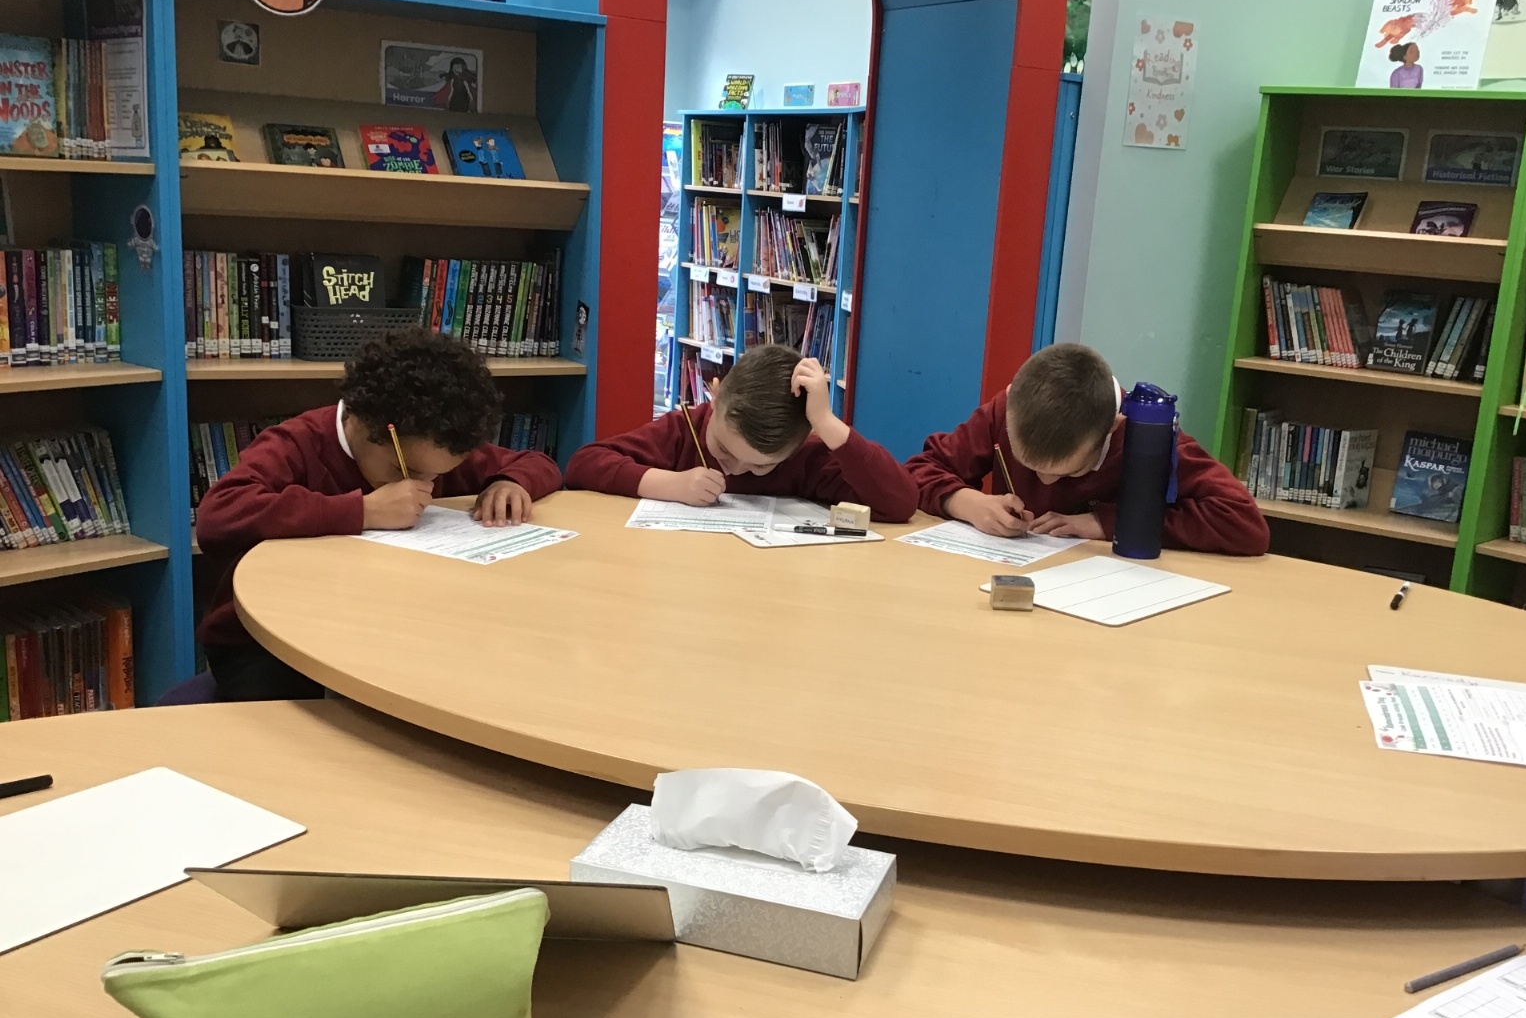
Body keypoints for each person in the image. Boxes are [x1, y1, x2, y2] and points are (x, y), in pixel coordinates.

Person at [195, 329, 561, 701]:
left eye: (438, 474)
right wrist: (361, 510)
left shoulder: (434, 442)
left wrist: (509, 482)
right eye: (407, 470)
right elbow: (219, 515)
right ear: (364, 424)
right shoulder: (297, 443)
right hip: (265, 643)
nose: (425, 484)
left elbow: (538, 463)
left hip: (384, 634)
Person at [905, 342, 1270, 554]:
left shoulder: (1145, 437)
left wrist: (1105, 523)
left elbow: (1245, 524)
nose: (1045, 482)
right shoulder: (1007, 409)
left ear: (1113, 427)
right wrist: (965, 502)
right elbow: (919, 470)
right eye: (1028, 464)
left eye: (1069, 471)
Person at [564, 345, 918, 521]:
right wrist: (670, 485)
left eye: (761, 466)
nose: (733, 469)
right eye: (723, 449)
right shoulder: (683, 429)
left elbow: (900, 503)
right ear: (715, 395)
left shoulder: (806, 453)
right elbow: (583, 464)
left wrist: (826, 422)